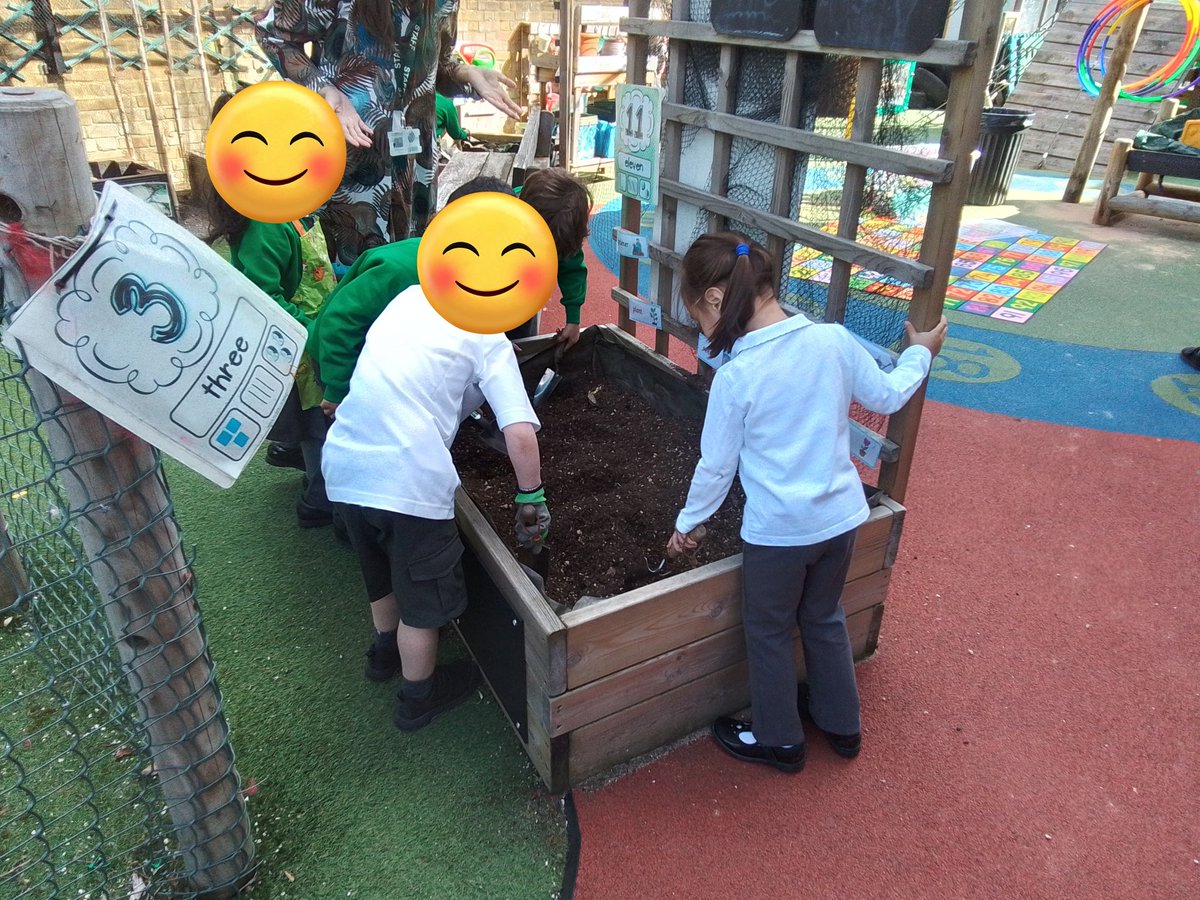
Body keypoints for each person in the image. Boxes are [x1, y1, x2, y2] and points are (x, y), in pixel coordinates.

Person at [666, 233, 948, 773]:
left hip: (778, 534)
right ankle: (842, 725)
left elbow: (716, 467)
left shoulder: (738, 376)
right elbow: (888, 395)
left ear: (718, 301)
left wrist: (690, 525)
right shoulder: (833, 341)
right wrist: (918, 353)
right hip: (840, 520)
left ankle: (780, 740)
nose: (701, 326)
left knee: (768, 630)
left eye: (697, 311)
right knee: (823, 616)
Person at [321, 177, 549, 729]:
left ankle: (383, 652)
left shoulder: (411, 297)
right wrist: (531, 495)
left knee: (379, 570)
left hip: (346, 462)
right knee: (423, 602)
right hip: (408, 479)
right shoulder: (488, 335)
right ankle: (418, 697)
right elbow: (520, 432)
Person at [256, 0, 524, 274]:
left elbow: (438, 63)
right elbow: (272, 33)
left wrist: (467, 73)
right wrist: (323, 89)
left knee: (411, 266)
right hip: (352, 157)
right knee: (352, 274)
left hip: (415, 166)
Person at [307, 167, 592, 416]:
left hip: (391, 356)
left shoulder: (476, 269)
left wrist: (490, 341)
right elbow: (340, 324)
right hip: (343, 359)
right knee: (334, 444)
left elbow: (473, 307)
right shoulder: (403, 271)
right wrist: (338, 388)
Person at [205, 93, 339, 528]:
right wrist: (312, 332)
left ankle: (292, 452)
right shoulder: (266, 223)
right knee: (317, 423)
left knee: (313, 419)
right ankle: (319, 502)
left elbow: (314, 267)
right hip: (298, 347)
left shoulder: (293, 205)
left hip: (317, 331)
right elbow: (264, 296)